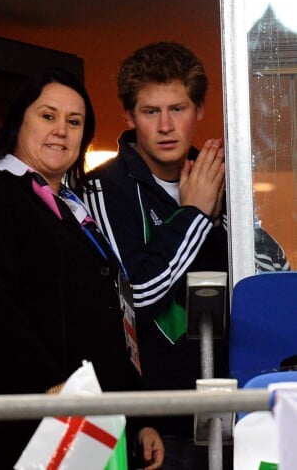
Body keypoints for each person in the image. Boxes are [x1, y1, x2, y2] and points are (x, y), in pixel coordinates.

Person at [0, 69, 164, 470]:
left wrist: (135, 416)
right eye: (47, 116)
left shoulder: (79, 215)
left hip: (86, 434)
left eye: (74, 122)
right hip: (8, 430)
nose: (61, 130)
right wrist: (47, 386)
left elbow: (108, 327)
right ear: (18, 121)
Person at [81, 41, 290, 469]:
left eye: (177, 109)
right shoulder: (104, 189)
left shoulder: (219, 178)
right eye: (150, 111)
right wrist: (193, 214)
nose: (165, 126)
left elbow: (274, 275)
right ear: (128, 116)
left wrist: (221, 214)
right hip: (159, 429)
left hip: (239, 414)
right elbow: (138, 294)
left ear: (198, 110)